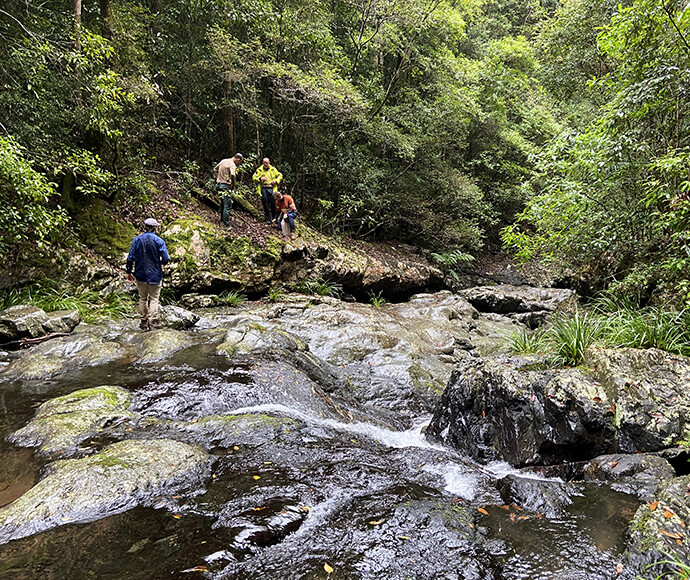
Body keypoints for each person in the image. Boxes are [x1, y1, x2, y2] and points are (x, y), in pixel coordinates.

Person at [126, 218, 170, 330]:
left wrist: (129, 272)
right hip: (155, 273)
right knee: (154, 298)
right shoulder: (159, 241)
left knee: (142, 298)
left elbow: (130, 258)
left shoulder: (136, 240)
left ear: (144, 227)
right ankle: (152, 321)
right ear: (155, 228)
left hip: (140, 273)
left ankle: (143, 321)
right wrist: (159, 263)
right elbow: (166, 258)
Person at [214, 153, 244, 228]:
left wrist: (217, 178)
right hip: (225, 186)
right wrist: (233, 184)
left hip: (218, 185)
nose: (238, 164)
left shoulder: (223, 161)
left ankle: (222, 219)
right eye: (239, 162)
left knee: (222, 203)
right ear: (237, 159)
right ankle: (227, 225)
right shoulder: (232, 164)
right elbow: (233, 174)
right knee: (227, 206)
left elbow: (215, 169)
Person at [252, 157, 283, 223]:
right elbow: (254, 177)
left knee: (273, 203)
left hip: (272, 188)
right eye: (264, 163)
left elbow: (280, 176)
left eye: (266, 163)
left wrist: (276, 181)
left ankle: (275, 218)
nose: (265, 164)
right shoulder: (259, 170)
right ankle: (267, 218)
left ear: (269, 163)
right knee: (265, 203)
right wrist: (260, 179)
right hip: (263, 188)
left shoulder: (273, 169)